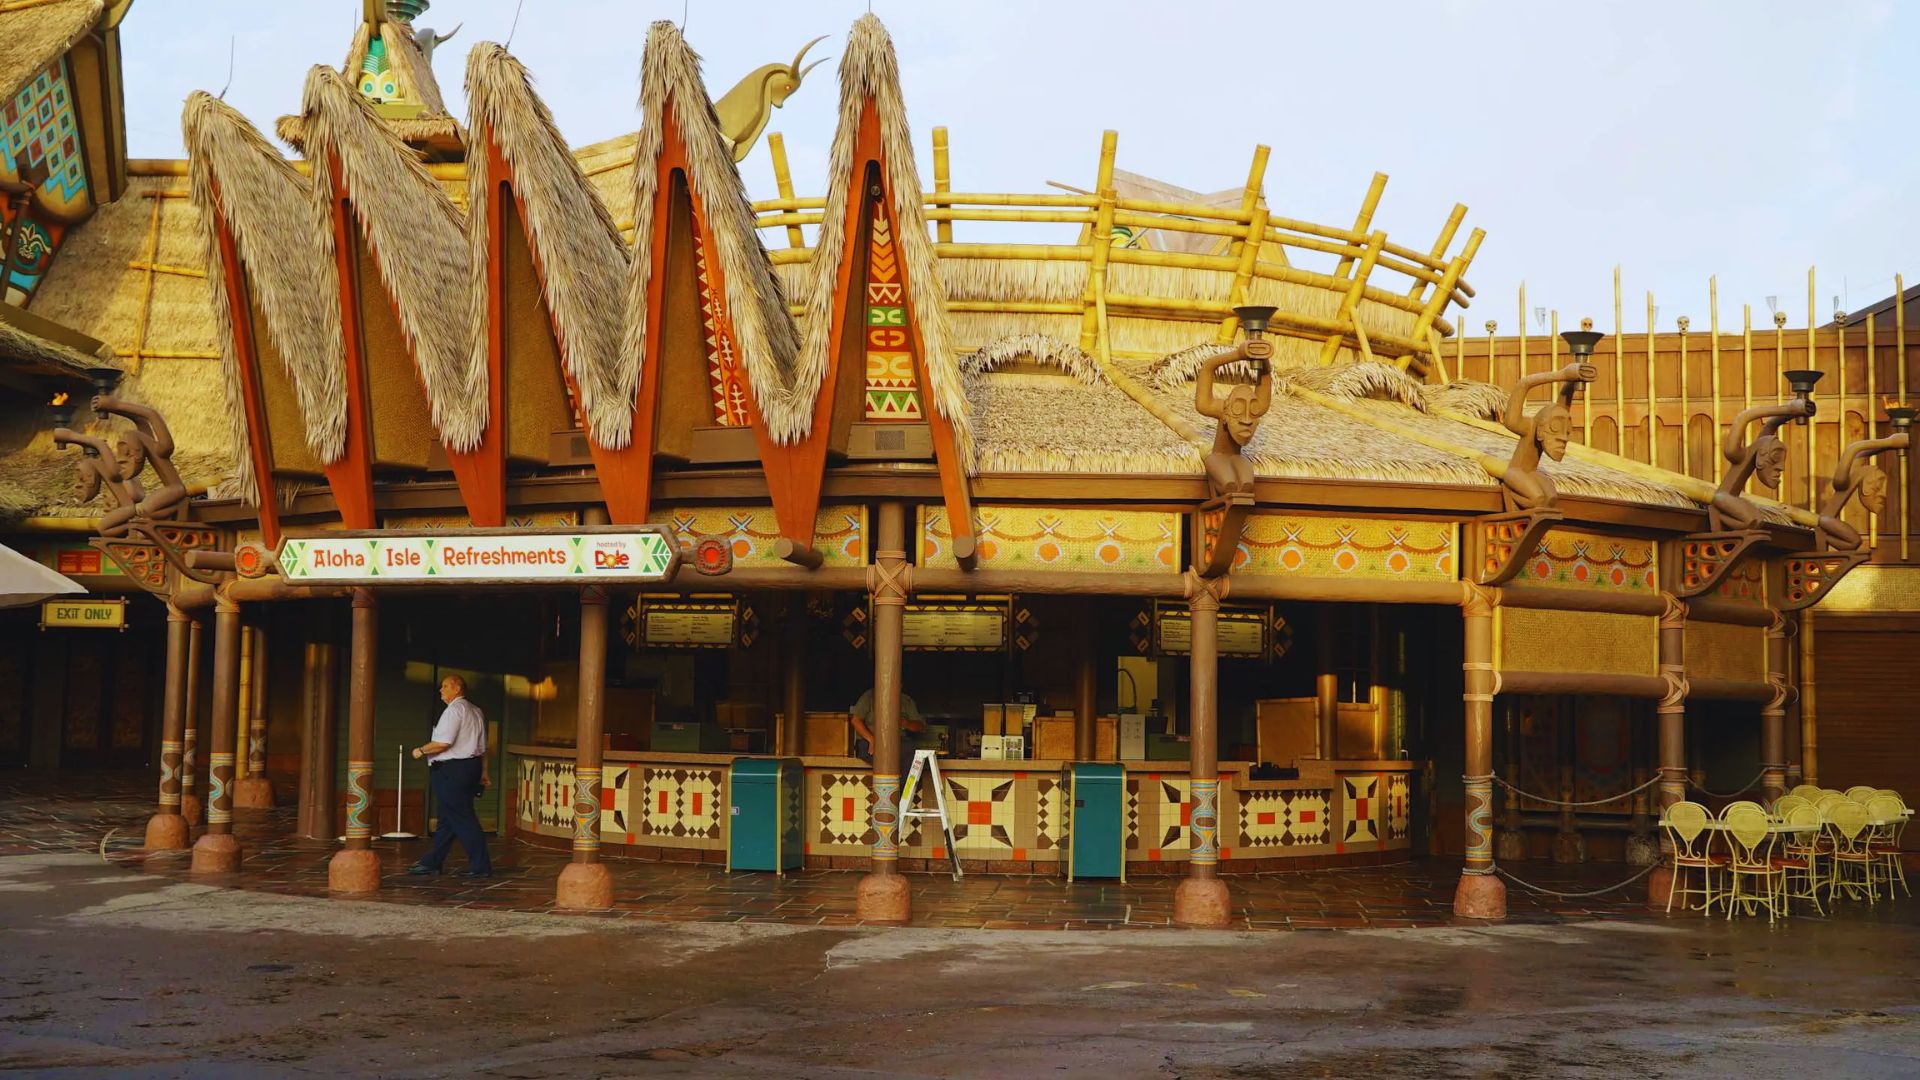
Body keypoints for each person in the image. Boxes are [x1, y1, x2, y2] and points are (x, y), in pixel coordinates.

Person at [407, 675, 492, 877]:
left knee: (463, 818)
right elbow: (483, 749)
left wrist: (420, 750)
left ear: (457, 688)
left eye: (445, 686)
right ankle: (433, 862)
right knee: (447, 819)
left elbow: (444, 743)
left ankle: (481, 867)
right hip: (470, 767)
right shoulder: (476, 711)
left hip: (451, 770)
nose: (441, 690)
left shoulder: (454, 710)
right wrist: (484, 773)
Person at [848, 687, 925, 776]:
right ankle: (887, 787)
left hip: (898, 743)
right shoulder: (869, 696)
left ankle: (901, 788)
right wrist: (872, 739)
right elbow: (856, 720)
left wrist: (905, 723)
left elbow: (920, 726)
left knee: (911, 751)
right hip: (869, 742)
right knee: (884, 758)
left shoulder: (905, 700)